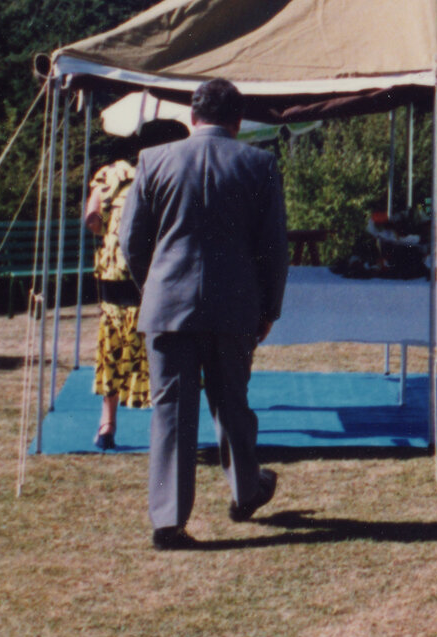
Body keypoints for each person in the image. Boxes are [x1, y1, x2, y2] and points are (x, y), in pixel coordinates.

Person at [119, 78, 290, 550]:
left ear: (192, 116)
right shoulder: (259, 163)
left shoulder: (153, 160)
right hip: (234, 306)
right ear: (238, 121)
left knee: (170, 412)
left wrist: (153, 287)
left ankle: (168, 521)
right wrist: (268, 307)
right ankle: (245, 491)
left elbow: (131, 240)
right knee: (232, 403)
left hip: (166, 306)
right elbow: (274, 247)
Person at [83, 118, 188, 450]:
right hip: (154, 274)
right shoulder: (170, 174)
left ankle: (107, 424)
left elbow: (91, 218)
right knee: (163, 347)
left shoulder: (111, 174)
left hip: (114, 274)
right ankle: (165, 425)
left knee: (112, 345)